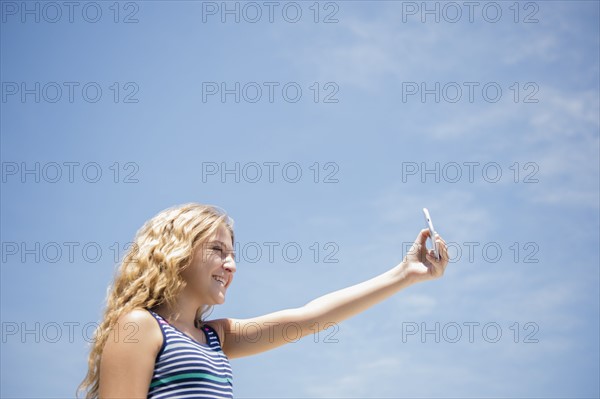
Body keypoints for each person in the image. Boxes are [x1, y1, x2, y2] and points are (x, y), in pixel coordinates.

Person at [78, 203, 449, 399]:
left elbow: (310, 318)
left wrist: (403, 274)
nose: (231, 264)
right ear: (176, 253)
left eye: (233, 253)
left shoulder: (215, 339)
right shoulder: (139, 327)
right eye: (217, 249)